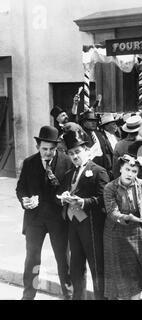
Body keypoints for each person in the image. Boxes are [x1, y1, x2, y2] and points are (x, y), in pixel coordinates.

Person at [16, 126, 72, 300]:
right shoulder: (29, 163)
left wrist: (65, 196)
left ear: (57, 147)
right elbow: (20, 188)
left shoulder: (67, 161)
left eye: (51, 149)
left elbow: (70, 187)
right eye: (44, 149)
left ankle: (68, 295)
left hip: (58, 219)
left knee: (64, 261)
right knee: (33, 261)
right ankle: (29, 295)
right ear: (38, 146)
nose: (47, 153)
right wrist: (25, 200)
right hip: (35, 220)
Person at [59, 129, 110, 299]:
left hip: (92, 227)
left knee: (97, 268)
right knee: (76, 268)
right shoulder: (69, 173)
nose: (74, 156)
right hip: (74, 226)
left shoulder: (98, 171)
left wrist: (83, 202)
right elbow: (62, 191)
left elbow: (104, 199)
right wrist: (63, 197)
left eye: (78, 152)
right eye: (71, 153)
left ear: (87, 150)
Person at [103, 153, 142, 300]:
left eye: (134, 171)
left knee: (138, 273)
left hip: (137, 232)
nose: (130, 174)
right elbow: (112, 212)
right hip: (116, 234)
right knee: (120, 276)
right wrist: (127, 217)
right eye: (127, 169)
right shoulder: (110, 188)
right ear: (120, 169)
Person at [79, 110, 113, 179]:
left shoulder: (99, 134)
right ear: (84, 122)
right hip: (89, 172)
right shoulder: (81, 136)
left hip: (103, 170)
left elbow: (106, 153)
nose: (94, 123)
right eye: (90, 121)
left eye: (95, 121)